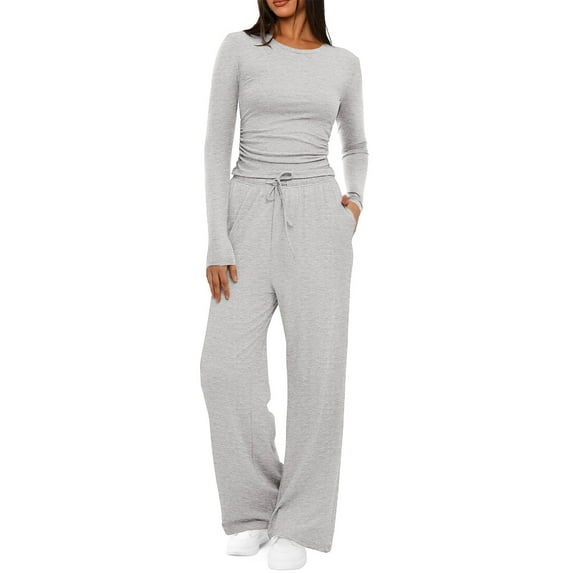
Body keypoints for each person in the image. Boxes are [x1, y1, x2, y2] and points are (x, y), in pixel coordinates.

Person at [200, 0, 368, 569]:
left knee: (318, 373)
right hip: (246, 209)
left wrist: (353, 206)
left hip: (318, 215)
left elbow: (356, 145)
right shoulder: (239, 49)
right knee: (223, 368)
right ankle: (253, 509)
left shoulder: (343, 63)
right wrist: (218, 239)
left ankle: (300, 522)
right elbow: (215, 144)